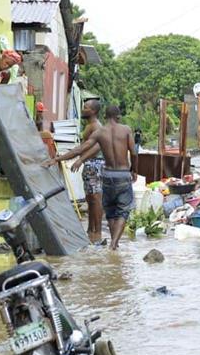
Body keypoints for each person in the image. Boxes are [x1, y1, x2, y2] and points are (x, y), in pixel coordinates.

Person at [44, 105, 136, 251]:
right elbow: (134, 152)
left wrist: (57, 159)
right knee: (123, 210)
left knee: (111, 211)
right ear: (118, 117)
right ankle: (113, 244)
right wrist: (134, 171)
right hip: (123, 174)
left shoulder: (100, 132)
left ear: (104, 116)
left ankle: (114, 243)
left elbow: (80, 149)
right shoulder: (126, 130)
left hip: (108, 175)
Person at [44, 100, 105, 243]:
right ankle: (91, 231)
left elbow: (96, 147)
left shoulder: (96, 126)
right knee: (90, 198)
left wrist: (76, 159)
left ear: (94, 111)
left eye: (86, 108)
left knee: (95, 198)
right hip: (91, 164)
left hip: (95, 164)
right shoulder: (90, 125)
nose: (83, 110)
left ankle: (97, 233)